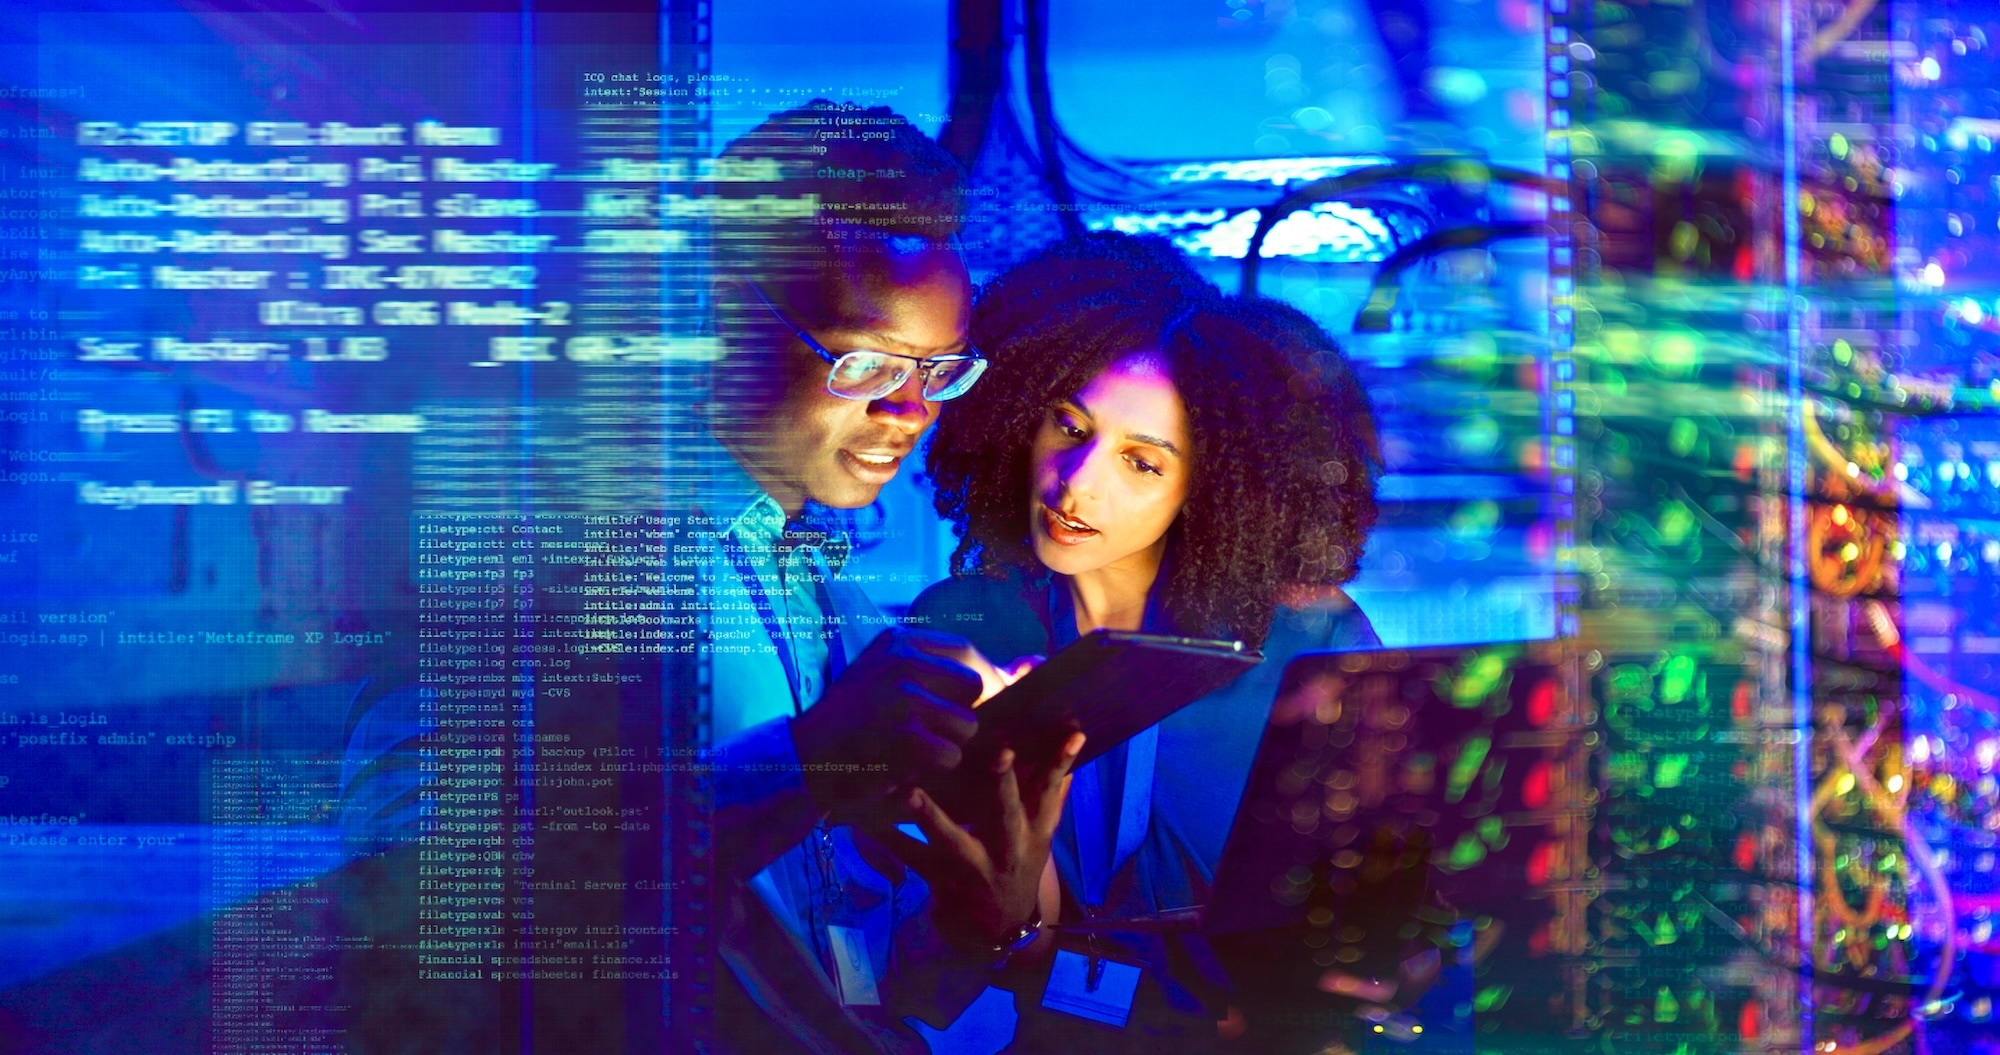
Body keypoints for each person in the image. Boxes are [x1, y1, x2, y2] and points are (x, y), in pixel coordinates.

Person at [337, 101, 1077, 1055]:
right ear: (718, 317)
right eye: (865, 363)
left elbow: (837, 973)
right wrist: (804, 762)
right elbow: (406, 890)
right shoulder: (554, 547)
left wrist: (979, 920)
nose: (910, 411)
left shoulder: (835, 609)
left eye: (938, 372)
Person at [906, 232, 1422, 1052]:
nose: (1077, 483)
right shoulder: (960, 630)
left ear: (1209, 483)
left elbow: (1394, 928)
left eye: (1142, 463)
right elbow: (920, 963)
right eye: (1068, 424)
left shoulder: (1310, 643)